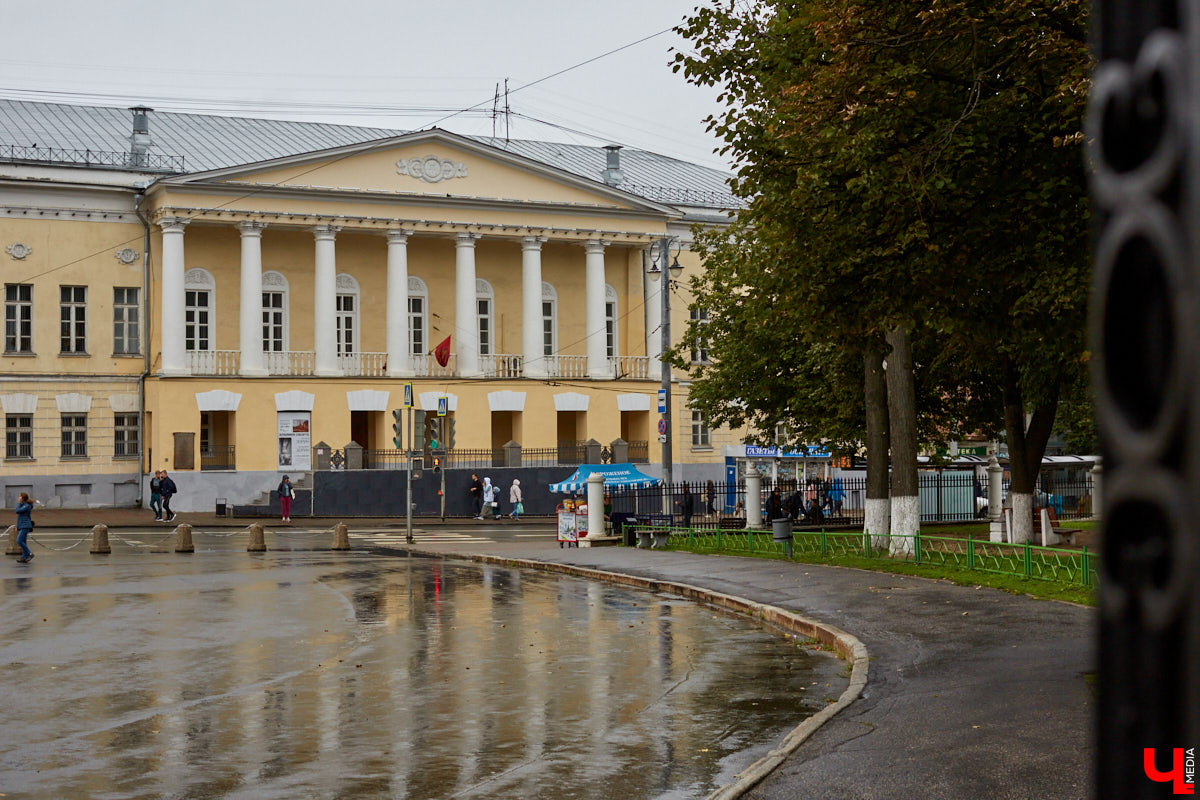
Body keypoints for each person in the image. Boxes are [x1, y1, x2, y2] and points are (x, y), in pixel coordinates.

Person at [14, 492, 34, 563]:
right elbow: (20, 517)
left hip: (25, 525)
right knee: (23, 542)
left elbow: (17, 511)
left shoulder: (26, 506)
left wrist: (19, 503)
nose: (19, 497)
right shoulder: (23, 505)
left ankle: (30, 553)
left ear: (23, 498)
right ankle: (24, 557)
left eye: (20, 496)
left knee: (19, 540)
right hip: (22, 525)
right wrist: (17, 526)